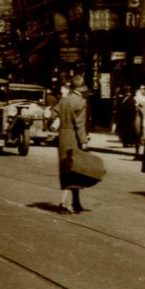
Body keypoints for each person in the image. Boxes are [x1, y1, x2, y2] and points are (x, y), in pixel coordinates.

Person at [56, 76, 91, 213]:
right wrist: (84, 141)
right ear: (81, 89)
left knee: (66, 168)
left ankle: (76, 202)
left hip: (62, 137)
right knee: (73, 169)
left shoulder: (63, 100)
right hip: (73, 137)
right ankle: (63, 203)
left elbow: (53, 113)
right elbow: (80, 124)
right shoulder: (81, 102)